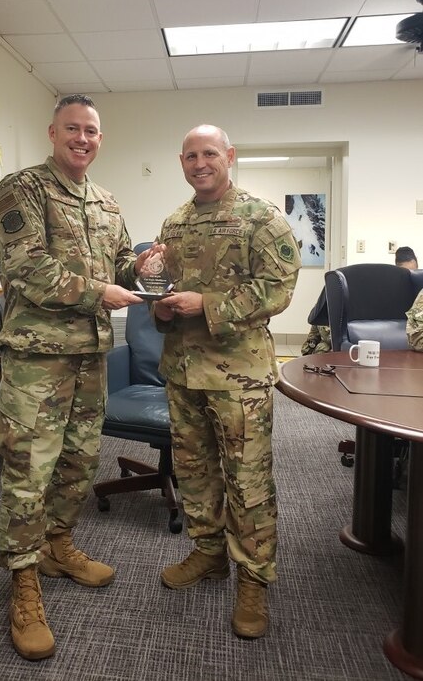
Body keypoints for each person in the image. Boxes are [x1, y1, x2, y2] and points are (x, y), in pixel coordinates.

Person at [0, 94, 158, 661]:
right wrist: (99, 293)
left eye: (91, 131)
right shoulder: (23, 189)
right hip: (37, 359)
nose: (82, 139)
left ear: (100, 139)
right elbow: (27, 268)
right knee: (29, 469)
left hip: (90, 356)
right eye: (72, 129)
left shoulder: (106, 202)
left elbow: (118, 267)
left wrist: (144, 266)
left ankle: (58, 543)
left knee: (79, 461)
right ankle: (23, 580)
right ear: (52, 131)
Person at [153, 124, 301, 639]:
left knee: (247, 481)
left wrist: (208, 305)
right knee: (194, 474)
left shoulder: (262, 218)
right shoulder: (174, 223)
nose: (200, 163)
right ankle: (209, 553)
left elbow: (279, 289)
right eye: (190, 155)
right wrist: (161, 301)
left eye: (209, 153)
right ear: (182, 161)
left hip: (239, 377)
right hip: (183, 370)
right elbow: (164, 289)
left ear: (229, 156)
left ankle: (254, 581)